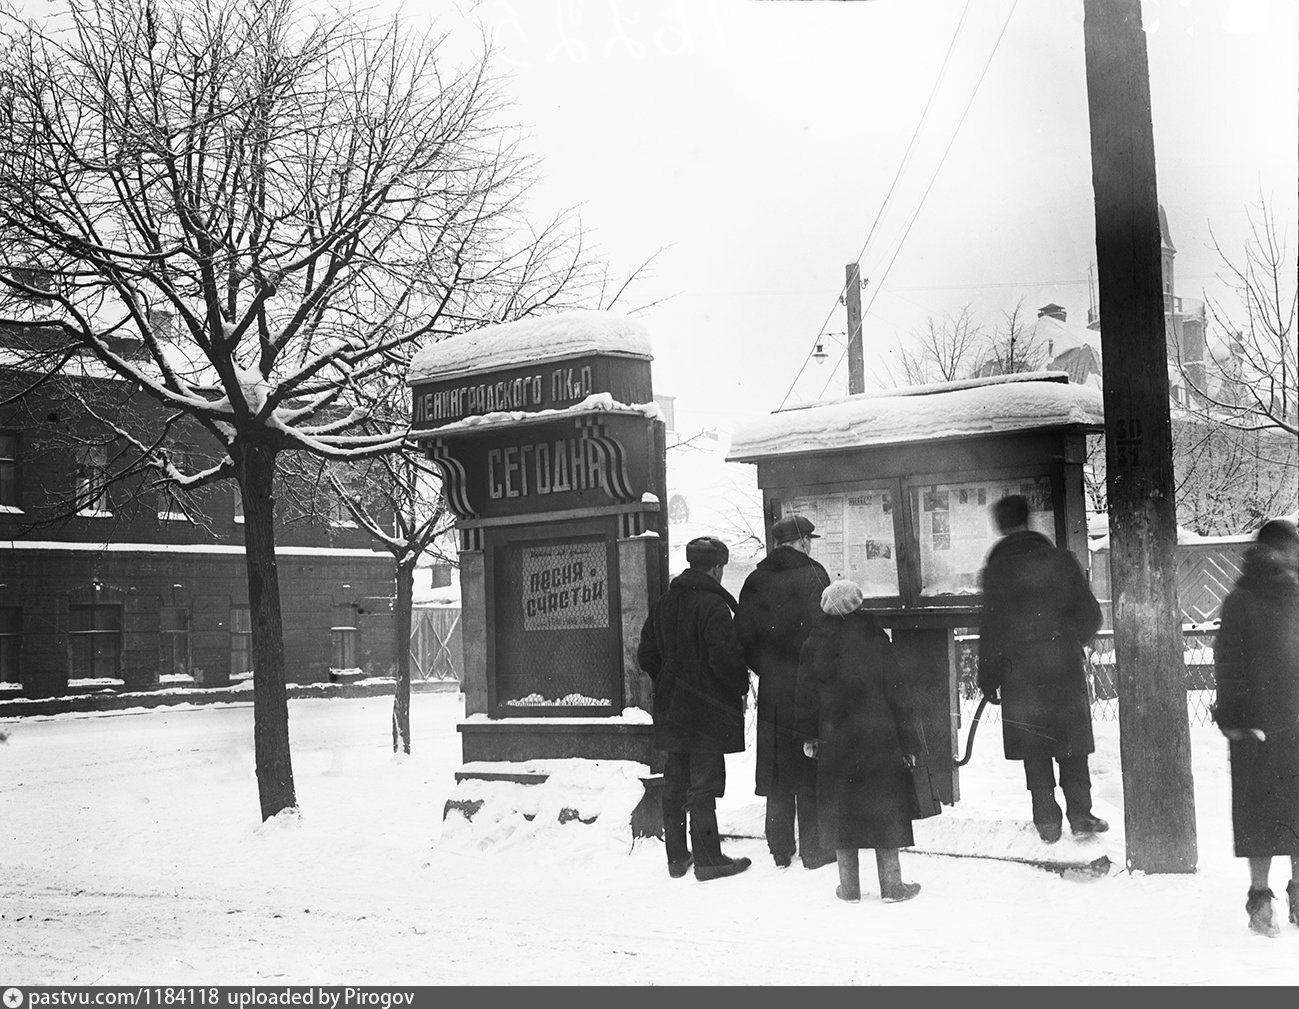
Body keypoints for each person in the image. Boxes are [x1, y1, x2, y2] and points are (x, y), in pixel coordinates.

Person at [976, 494, 1106, 843]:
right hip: (1062, 665)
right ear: (1030, 520)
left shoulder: (995, 571)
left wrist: (988, 677)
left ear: (1000, 526)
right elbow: (1091, 617)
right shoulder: (1061, 562)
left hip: (1019, 672)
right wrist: (1065, 639)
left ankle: (1046, 819)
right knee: (1071, 741)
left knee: (1033, 743)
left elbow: (989, 629)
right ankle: (1081, 815)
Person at [796, 579, 923, 904]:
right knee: (885, 804)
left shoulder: (813, 643)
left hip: (834, 735)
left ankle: (849, 888)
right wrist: (908, 742)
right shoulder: (875, 639)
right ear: (858, 605)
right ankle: (892, 886)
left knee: (841, 805)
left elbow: (805, 696)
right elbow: (897, 691)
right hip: (878, 735)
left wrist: (810, 736)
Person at [637, 535, 753, 882]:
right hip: (707, 710)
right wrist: (737, 687)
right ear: (717, 568)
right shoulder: (713, 606)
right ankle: (708, 860)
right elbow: (726, 659)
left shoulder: (664, 604)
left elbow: (646, 655)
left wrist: (670, 679)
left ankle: (677, 857)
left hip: (672, 707)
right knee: (704, 782)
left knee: (675, 780)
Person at [1211, 517, 1299, 937]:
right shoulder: (1246, 599)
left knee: (1272, 814)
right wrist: (1239, 718)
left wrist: (1239, 717)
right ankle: (1265, 901)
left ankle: (1277, 899)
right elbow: (1229, 663)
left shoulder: (1250, 597)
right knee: (1268, 816)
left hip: (1274, 725)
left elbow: (1229, 663)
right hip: (1265, 725)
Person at [735, 514, 835, 870]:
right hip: (810, 683)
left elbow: (743, 636)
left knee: (778, 766)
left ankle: (780, 848)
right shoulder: (814, 574)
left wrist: (768, 669)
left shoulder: (755, 579)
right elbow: (826, 630)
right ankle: (815, 848)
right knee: (809, 761)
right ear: (803, 541)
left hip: (774, 685)